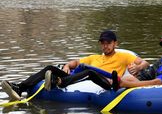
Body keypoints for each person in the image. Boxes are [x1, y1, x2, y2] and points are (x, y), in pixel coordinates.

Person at [1, 30, 149, 101]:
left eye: (108, 43)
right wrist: (66, 65)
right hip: (81, 76)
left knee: (90, 72)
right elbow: (76, 62)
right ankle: (19, 88)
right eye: (103, 43)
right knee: (50, 68)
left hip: (105, 81)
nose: (105, 46)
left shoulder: (124, 55)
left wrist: (138, 67)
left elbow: (145, 62)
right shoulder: (94, 57)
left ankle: (58, 82)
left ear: (115, 43)